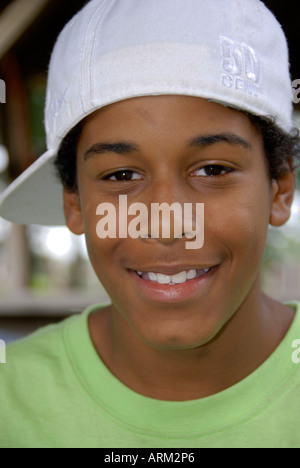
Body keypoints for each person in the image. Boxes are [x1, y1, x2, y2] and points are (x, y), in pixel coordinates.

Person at [0, 0, 300, 449]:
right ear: (75, 204)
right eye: (121, 176)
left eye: (213, 170)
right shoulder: (11, 397)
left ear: (278, 189)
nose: (166, 222)